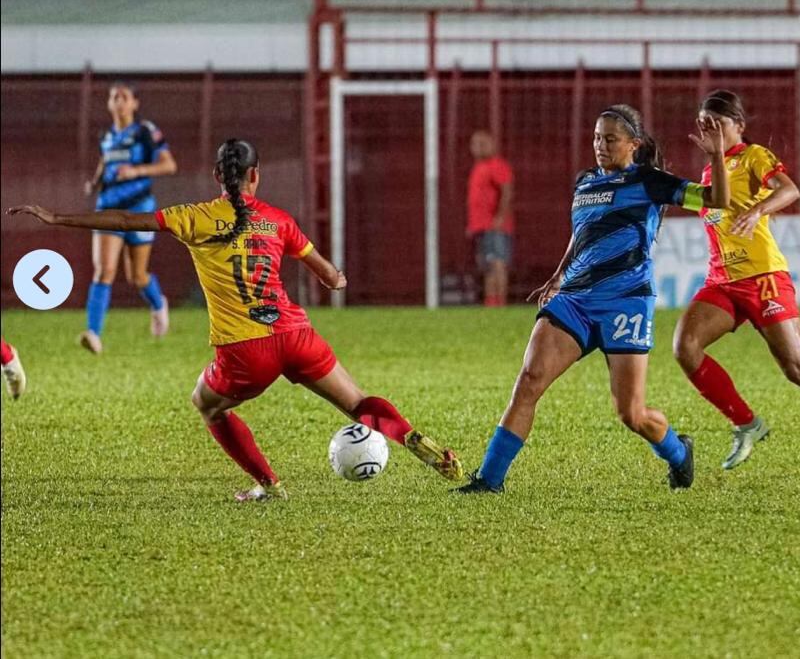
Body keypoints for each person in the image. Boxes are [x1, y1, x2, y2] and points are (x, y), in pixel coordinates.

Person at [9, 138, 463, 501]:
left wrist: (56, 217)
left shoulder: (196, 217)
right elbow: (329, 276)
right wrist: (337, 279)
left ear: (216, 177)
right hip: (295, 334)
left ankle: (270, 484)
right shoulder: (279, 221)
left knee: (207, 405)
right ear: (255, 177)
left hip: (245, 351)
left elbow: (128, 219)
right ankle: (416, 443)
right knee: (359, 402)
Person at [457, 104, 729, 494]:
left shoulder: (652, 181)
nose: (601, 146)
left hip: (626, 302)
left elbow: (716, 199)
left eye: (610, 139)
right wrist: (557, 275)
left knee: (631, 413)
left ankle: (677, 451)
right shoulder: (585, 182)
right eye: (597, 138)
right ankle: (489, 480)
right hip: (575, 300)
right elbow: (582, 233)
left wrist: (716, 155)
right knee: (529, 380)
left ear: (633, 144)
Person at [672, 90, 800, 478]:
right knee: (685, 347)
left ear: (739, 125)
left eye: (717, 123)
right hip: (721, 280)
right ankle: (746, 424)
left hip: (763, 277)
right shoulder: (710, 172)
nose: (709, 131)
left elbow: (790, 189)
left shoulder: (755, 157)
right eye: (703, 123)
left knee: (798, 368)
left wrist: (757, 210)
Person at [80, 81, 177, 354]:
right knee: (104, 269)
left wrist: (135, 172)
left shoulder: (146, 132)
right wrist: (95, 183)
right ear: (109, 104)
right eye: (114, 97)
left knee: (137, 276)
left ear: (134, 103)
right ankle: (93, 333)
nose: (118, 101)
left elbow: (169, 164)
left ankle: (159, 304)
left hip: (139, 208)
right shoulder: (107, 136)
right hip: (108, 208)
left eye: (124, 97)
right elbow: (104, 163)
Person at [465, 130, 514, 306]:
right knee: (487, 266)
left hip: (494, 226)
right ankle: (491, 303)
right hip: (481, 226)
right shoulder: (479, 167)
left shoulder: (497, 165)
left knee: (497, 263)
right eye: (475, 144)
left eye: (482, 143)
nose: (478, 148)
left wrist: (500, 218)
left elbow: (506, 191)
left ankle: (500, 302)